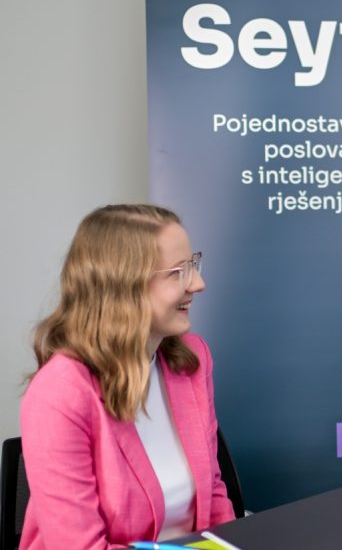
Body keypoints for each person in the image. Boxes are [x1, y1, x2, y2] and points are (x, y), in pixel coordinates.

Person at [20, 204, 236, 548]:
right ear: (123, 287)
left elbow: (213, 493)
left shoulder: (192, 360)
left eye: (193, 265)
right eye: (178, 272)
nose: (198, 284)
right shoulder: (59, 393)